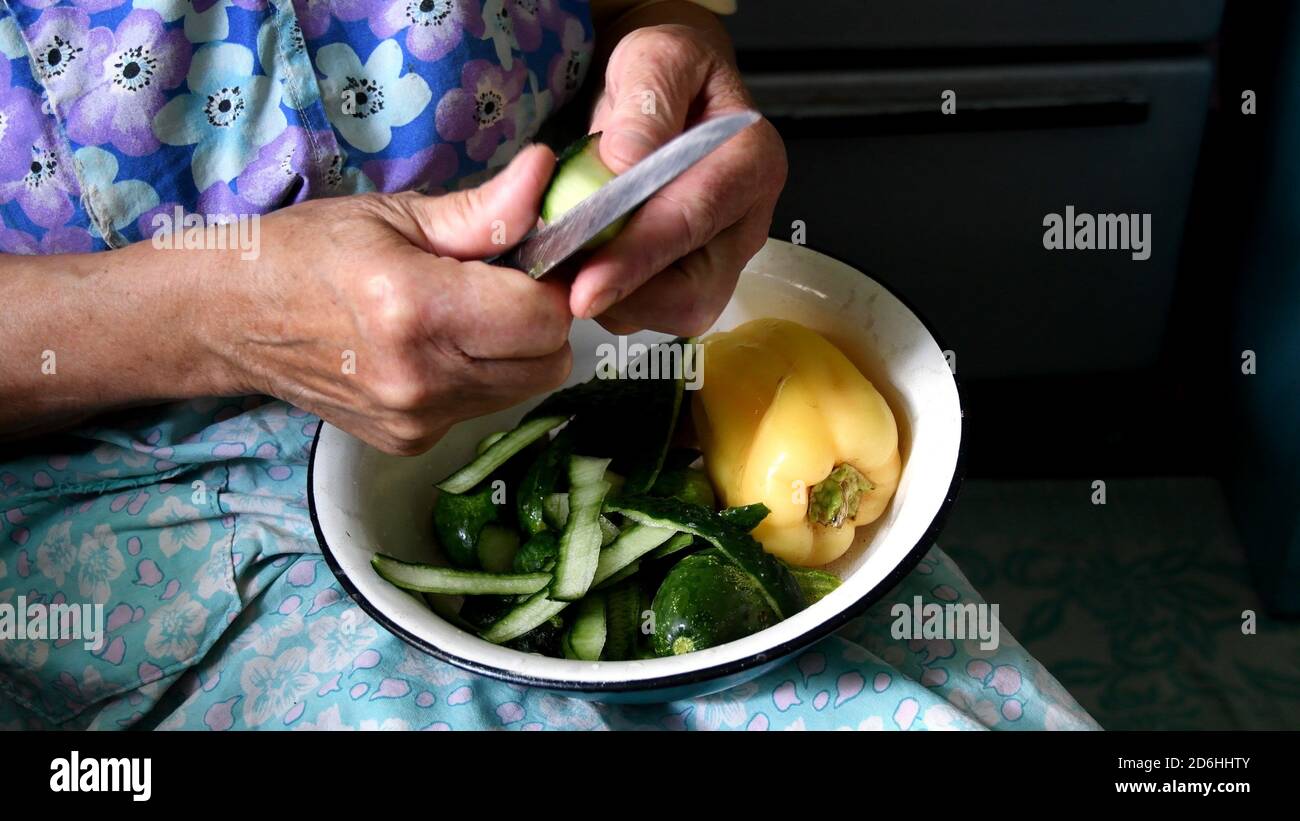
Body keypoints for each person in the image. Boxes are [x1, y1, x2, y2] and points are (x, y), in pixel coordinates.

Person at [0, 0, 1095, 730]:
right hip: (113, 486)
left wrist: (668, 63)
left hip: (607, 383)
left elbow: (650, 12)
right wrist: (209, 314)